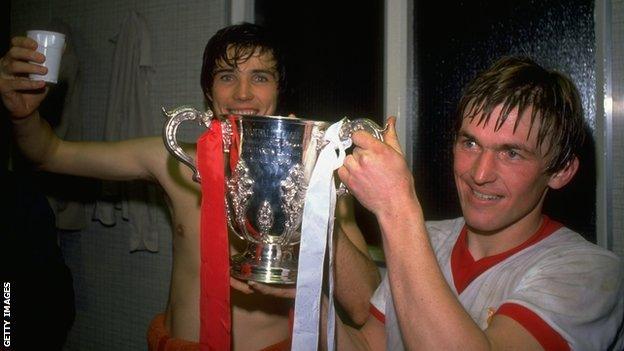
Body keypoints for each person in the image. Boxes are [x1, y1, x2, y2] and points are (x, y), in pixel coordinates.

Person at [0, 22, 380, 350]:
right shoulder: (172, 161)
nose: (243, 94)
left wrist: (310, 199)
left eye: (260, 77)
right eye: (227, 76)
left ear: (279, 90)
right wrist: (23, 115)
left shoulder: (318, 175)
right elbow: (48, 153)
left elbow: (364, 303)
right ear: (208, 93)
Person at [334, 56, 624, 350]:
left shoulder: (590, 274)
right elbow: (367, 345)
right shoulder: (427, 240)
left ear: (560, 171)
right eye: (470, 143)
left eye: (511, 153)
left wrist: (396, 205)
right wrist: (305, 288)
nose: (479, 174)